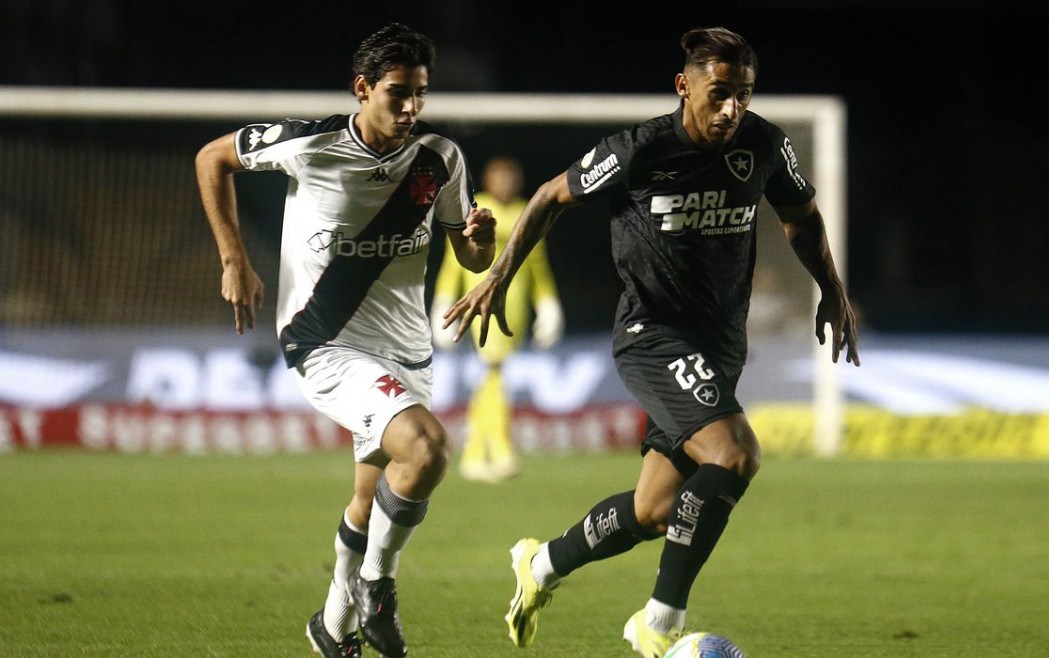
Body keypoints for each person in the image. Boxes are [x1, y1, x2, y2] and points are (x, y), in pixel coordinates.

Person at [443, 26, 859, 658]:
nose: (732, 109)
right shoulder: (638, 150)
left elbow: (801, 218)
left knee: (657, 510)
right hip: (652, 335)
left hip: (719, 346)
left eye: (744, 95)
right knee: (735, 453)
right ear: (683, 85)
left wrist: (830, 288)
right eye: (720, 93)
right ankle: (659, 626)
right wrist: (500, 273)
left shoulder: (764, 144)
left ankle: (541, 566)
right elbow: (552, 197)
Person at [194, 23, 495, 658]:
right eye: (396, 93)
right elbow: (211, 157)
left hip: (408, 348)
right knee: (429, 450)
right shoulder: (312, 143)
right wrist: (233, 258)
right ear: (363, 89)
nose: (411, 107)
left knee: (370, 495)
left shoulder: (441, 157)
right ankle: (377, 591)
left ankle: (331, 626)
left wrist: (481, 240)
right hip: (324, 342)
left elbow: (467, 254)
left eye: (420, 94)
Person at [431, 155, 564, 482]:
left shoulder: (525, 211)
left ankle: (475, 452)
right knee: (493, 375)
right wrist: (443, 301)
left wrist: (548, 304)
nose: (505, 184)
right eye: (499, 178)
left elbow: (537, 265)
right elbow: (453, 261)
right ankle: (498, 452)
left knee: (492, 379)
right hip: (480, 303)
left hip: (514, 309)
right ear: (488, 181)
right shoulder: (478, 210)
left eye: (511, 178)